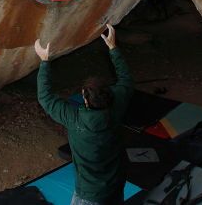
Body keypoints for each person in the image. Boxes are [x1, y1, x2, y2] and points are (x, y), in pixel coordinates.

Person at [34, 24, 133, 205]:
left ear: (84, 98)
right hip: (116, 182)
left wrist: (44, 61)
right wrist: (113, 47)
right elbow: (126, 79)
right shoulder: (117, 105)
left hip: (89, 194)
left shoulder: (75, 119)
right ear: (109, 94)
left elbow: (45, 97)